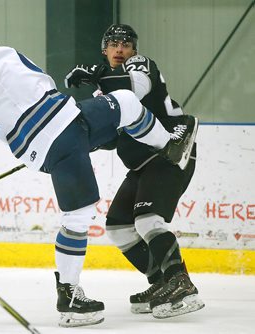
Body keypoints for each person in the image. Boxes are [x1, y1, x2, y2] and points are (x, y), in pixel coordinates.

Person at [0, 28, 198, 327]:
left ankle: (69, 298)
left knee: (78, 217)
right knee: (127, 103)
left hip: (50, 141)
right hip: (62, 124)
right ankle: (170, 146)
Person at [64, 23, 204, 319]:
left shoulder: (139, 66)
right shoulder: (105, 90)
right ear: (104, 50)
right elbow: (112, 136)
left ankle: (181, 283)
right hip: (141, 163)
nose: (119, 49)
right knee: (118, 226)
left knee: (148, 219)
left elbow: (133, 89)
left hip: (167, 153)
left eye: (125, 44)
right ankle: (161, 283)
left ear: (134, 50)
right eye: (113, 44)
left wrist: (95, 73)